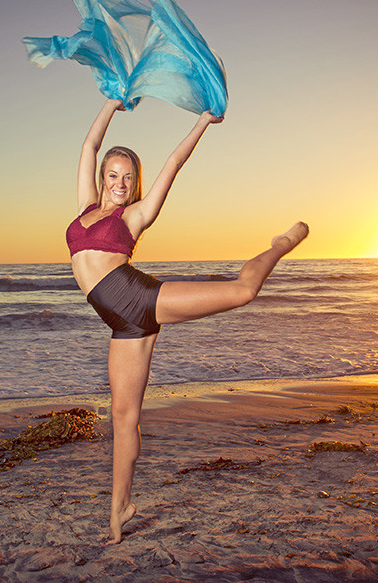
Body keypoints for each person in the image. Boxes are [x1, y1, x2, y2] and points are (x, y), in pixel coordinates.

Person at [66, 99, 308, 544]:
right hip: (123, 326)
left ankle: (279, 244)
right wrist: (110, 103)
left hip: (139, 299)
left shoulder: (135, 215)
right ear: (103, 177)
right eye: (113, 175)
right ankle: (120, 508)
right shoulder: (84, 206)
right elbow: (89, 143)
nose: (121, 184)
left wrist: (203, 121)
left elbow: (174, 162)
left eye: (128, 178)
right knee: (124, 417)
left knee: (242, 292)